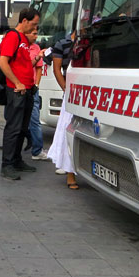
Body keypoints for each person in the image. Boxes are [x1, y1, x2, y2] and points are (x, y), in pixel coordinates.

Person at [0, 8, 44, 180]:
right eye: (33, 24)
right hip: (17, 90)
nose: (35, 28)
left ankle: (16, 160)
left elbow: (24, 64)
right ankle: (7, 164)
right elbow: (3, 62)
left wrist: (37, 59)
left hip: (28, 90)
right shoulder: (13, 37)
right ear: (24, 21)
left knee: (23, 128)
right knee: (14, 128)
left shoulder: (24, 40)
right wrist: (17, 82)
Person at [47, 32, 79, 189]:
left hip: (89, 91)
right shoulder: (62, 44)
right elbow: (57, 69)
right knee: (68, 129)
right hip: (71, 92)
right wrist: (66, 89)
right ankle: (69, 172)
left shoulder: (92, 42)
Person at [25, 29, 48, 161]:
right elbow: (25, 66)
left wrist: (37, 84)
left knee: (34, 120)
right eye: (33, 33)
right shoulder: (20, 47)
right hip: (20, 88)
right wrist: (37, 57)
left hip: (32, 88)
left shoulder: (36, 47)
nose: (36, 36)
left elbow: (38, 68)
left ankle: (37, 150)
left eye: (36, 33)